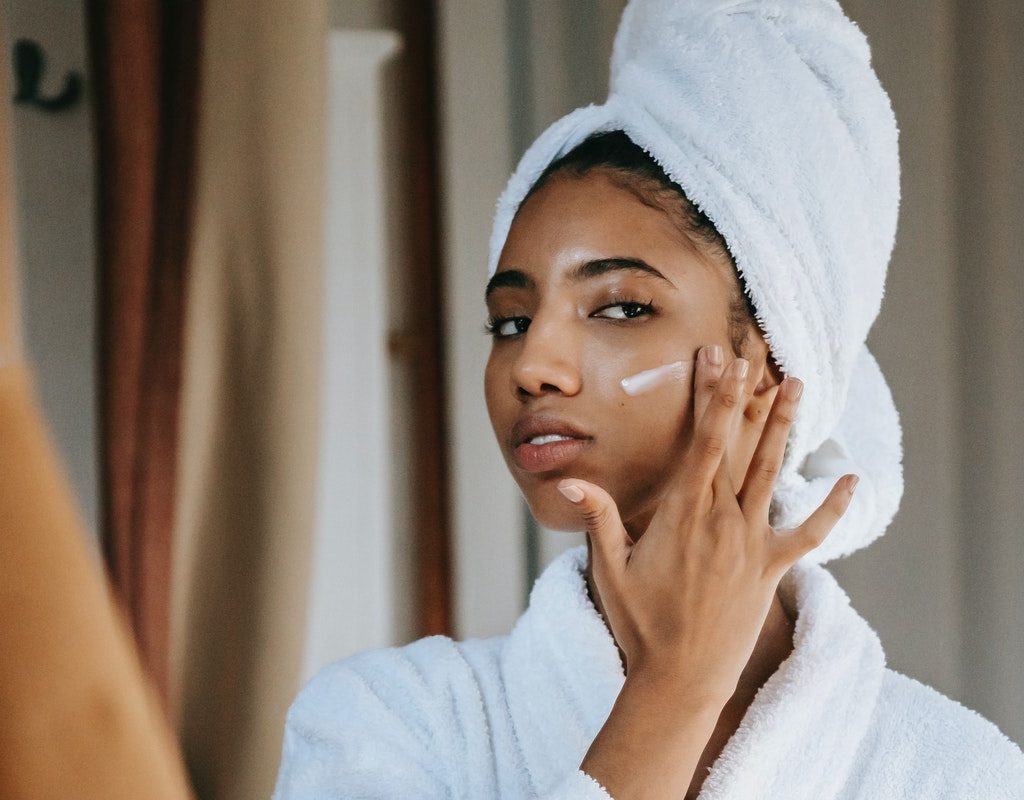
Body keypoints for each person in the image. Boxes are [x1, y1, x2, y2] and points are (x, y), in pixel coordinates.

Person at [273, 1, 1024, 798]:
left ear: (769, 365)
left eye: (622, 307)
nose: (533, 364)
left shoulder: (958, 773)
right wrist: (676, 687)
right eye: (510, 321)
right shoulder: (392, 723)